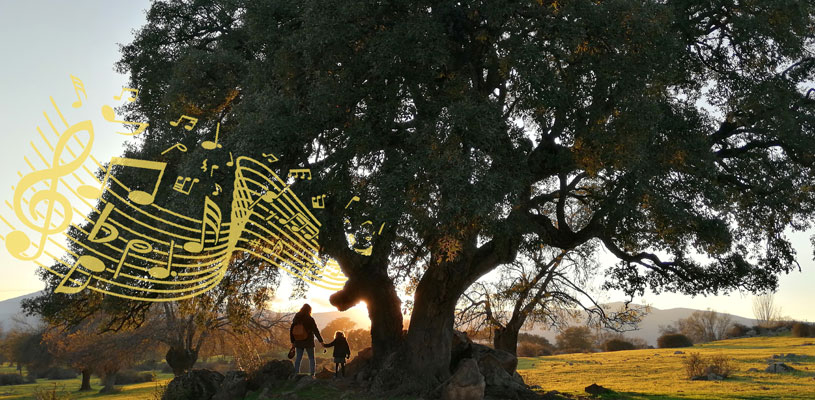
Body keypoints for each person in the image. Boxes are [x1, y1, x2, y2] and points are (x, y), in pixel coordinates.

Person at [289, 304, 323, 376]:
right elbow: (315, 330)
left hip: (298, 341)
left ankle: (296, 373)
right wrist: (321, 341)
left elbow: (292, 330)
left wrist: (292, 342)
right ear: (309, 310)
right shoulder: (310, 319)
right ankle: (312, 374)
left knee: (298, 358)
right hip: (308, 341)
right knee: (311, 358)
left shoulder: (296, 318)